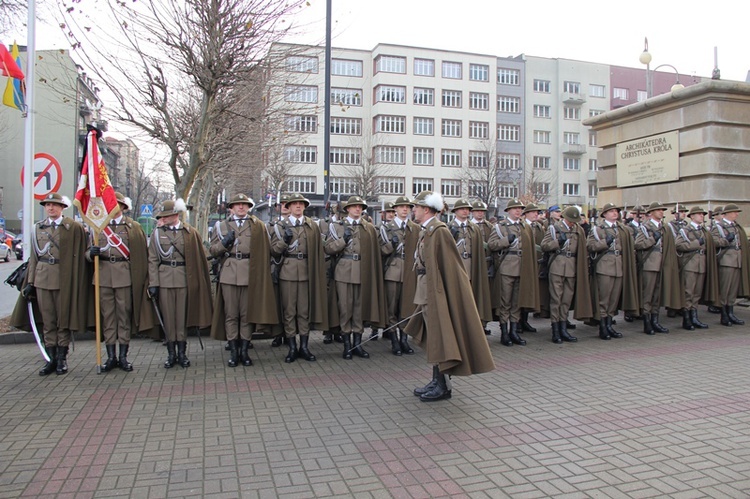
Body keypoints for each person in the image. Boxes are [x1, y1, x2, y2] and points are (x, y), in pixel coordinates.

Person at [405, 191, 495, 402]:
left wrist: (440, 294)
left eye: (416, 207)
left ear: (426, 209)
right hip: (427, 290)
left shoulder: (439, 231)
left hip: (436, 292)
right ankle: (437, 379)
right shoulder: (427, 231)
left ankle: (443, 386)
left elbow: (449, 267)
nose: (413, 211)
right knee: (435, 337)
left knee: (441, 336)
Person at [12, 192, 89, 376]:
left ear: (62, 207)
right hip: (43, 277)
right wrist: (30, 282)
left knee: (63, 320)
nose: (50, 208)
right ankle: (50, 358)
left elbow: (81, 251)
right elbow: (34, 258)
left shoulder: (72, 227)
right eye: (47, 205)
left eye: (54, 205)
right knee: (48, 321)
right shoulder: (37, 228)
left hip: (64, 278)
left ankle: (62, 358)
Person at [86, 192, 152, 372]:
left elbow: (140, 255)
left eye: (117, 204)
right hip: (103, 276)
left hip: (124, 276)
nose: (113, 207)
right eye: (109, 204)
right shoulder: (97, 226)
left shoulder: (133, 227)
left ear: (123, 207)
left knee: (123, 316)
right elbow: (86, 253)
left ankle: (123, 356)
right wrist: (90, 254)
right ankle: (111, 357)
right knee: (108, 318)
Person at [210, 193, 277, 367]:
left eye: (244, 205)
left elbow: (266, 249)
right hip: (229, 272)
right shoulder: (221, 226)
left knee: (247, 315)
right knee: (231, 315)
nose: (241, 207)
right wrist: (224, 243)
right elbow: (213, 250)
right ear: (231, 208)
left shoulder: (257, 226)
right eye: (237, 204)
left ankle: (245, 351)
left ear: (249, 207)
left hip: (249, 272)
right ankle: (233, 352)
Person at [148, 199, 212, 368]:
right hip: (165, 279)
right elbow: (153, 260)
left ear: (176, 215)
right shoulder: (157, 233)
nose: (164, 219)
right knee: (169, 319)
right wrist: (153, 283)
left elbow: (199, 257)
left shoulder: (189, 232)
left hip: (184, 279)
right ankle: (171, 354)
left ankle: (182, 353)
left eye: (167, 215)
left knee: (181, 318)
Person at [324, 195, 386, 360]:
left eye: (361, 207)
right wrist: (342, 241)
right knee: (345, 308)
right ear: (348, 209)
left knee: (359, 309)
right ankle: (346, 346)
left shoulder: (369, 228)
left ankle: (357, 345)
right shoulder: (337, 227)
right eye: (355, 206)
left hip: (362, 271)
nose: (358, 209)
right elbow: (328, 248)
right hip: (344, 271)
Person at [269, 193, 328, 363]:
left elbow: (318, 249)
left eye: (301, 204)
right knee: (289, 312)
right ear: (288, 207)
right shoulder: (280, 226)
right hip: (287, 271)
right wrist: (284, 241)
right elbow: (274, 251)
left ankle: (304, 346)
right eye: (294, 204)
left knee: (303, 312)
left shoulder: (311, 225)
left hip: (306, 271)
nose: (298, 206)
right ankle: (292, 347)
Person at [488, 199, 539, 347]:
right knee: (505, 301)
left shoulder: (525, 226)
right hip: (507, 267)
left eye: (520, 208)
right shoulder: (500, 227)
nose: (518, 211)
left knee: (517, 302)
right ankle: (504, 333)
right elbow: (491, 245)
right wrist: (505, 240)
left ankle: (514, 331)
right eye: (515, 208)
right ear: (508, 211)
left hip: (522, 267)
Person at [540, 206, 592, 343]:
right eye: (570, 221)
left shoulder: (578, 230)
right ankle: (555, 329)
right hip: (557, 266)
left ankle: (563, 327)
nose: (572, 223)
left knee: (566, 300)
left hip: (571, 267)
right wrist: (558, 242)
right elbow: (544, 246)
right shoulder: (554, 229)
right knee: (556, 299)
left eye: (574, 221)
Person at [587, 203, 639, 340]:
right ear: (604, 214)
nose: (614, 213)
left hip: (618, 265)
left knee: (613, 299)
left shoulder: (622, 229)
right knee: (604, 298)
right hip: (604, 266)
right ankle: (603, 326)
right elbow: (590, 246)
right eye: (611, 211)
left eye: (616, 211)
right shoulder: (598, 229)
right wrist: (604, 242)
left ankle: (609, 324)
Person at [634, 202, 682, 335]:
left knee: (657, 295)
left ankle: (655, 320)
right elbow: (638, 244)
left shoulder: (664, 227)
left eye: (662, 210)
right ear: (651, 212)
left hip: (662, 264)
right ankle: (647, 322)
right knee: (647, 295)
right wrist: (652, 239)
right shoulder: (645, 227)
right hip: (649, 264)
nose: (661, 212)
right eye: (659, 210)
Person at [380, 196, 420, 355]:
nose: (405, 209)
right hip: (393, 270)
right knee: (391, 307)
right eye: (401, 207)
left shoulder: (415, 228)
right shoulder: (387, 228)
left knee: (407, 307)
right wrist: (392, 244)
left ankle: (404, 339)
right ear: (395, 209)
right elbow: (382, 251)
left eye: (408, 207)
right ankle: (394, 340)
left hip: (409, 271)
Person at [449, 199, 492, 334]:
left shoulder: (474, 228)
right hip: (457, 267)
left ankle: (474, 325)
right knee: (459, 298)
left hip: (472, 266)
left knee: (473, 297)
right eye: (462, 208)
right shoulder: (448, 227)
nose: (465, 211)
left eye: (467, 208)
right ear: (455, 211)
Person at [675, 206, 719, 330]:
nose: (702, 216)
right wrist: (696, 243)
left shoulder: (704, 230)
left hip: (701, 264)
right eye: (699, 214)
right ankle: (687, 318)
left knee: (697, 293)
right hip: (690, 265)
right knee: (688, 292)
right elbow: (678, 245)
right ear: (692, 216)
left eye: (702, 214)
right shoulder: (686, 230)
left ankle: (694, 316)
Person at [710, 203, 750, 326]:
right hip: (726, 261)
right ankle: (724, 315)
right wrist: (727, 240)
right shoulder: (719, 227)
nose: (736, 214)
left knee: (732, 290)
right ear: (726, 214)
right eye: (734, 212)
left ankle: (731, 312)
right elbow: (714, 242)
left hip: (737, 261)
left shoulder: (737, 227)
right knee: (725, 289)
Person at [470, 200, 496, 336]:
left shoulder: (489, 226)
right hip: (472, 264)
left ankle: (483, 323)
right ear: (472, 212)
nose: (480, 213)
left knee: (484, 295)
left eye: (482, 211)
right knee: (473, 294)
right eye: (477, 211)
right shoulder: (469, 226)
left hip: (486, 263)